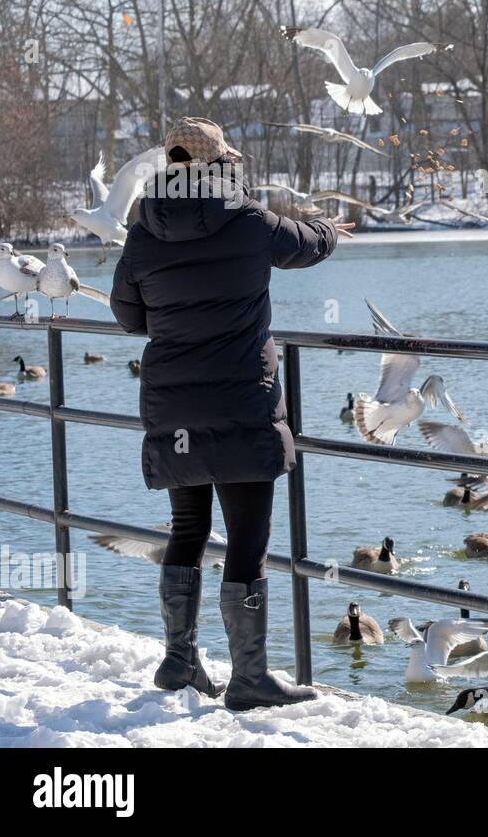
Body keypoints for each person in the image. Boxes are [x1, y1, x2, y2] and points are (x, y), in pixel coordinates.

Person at [110, 117, 350, 710]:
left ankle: (179, 659)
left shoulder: (143, 231)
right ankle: (249, 678)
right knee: (247, 537)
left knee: (188, 529)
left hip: (175, 407)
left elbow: (128, 317)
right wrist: (329, 227)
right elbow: (309, 245)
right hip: (241, 401)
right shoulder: (246, 220)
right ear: (222, 165)